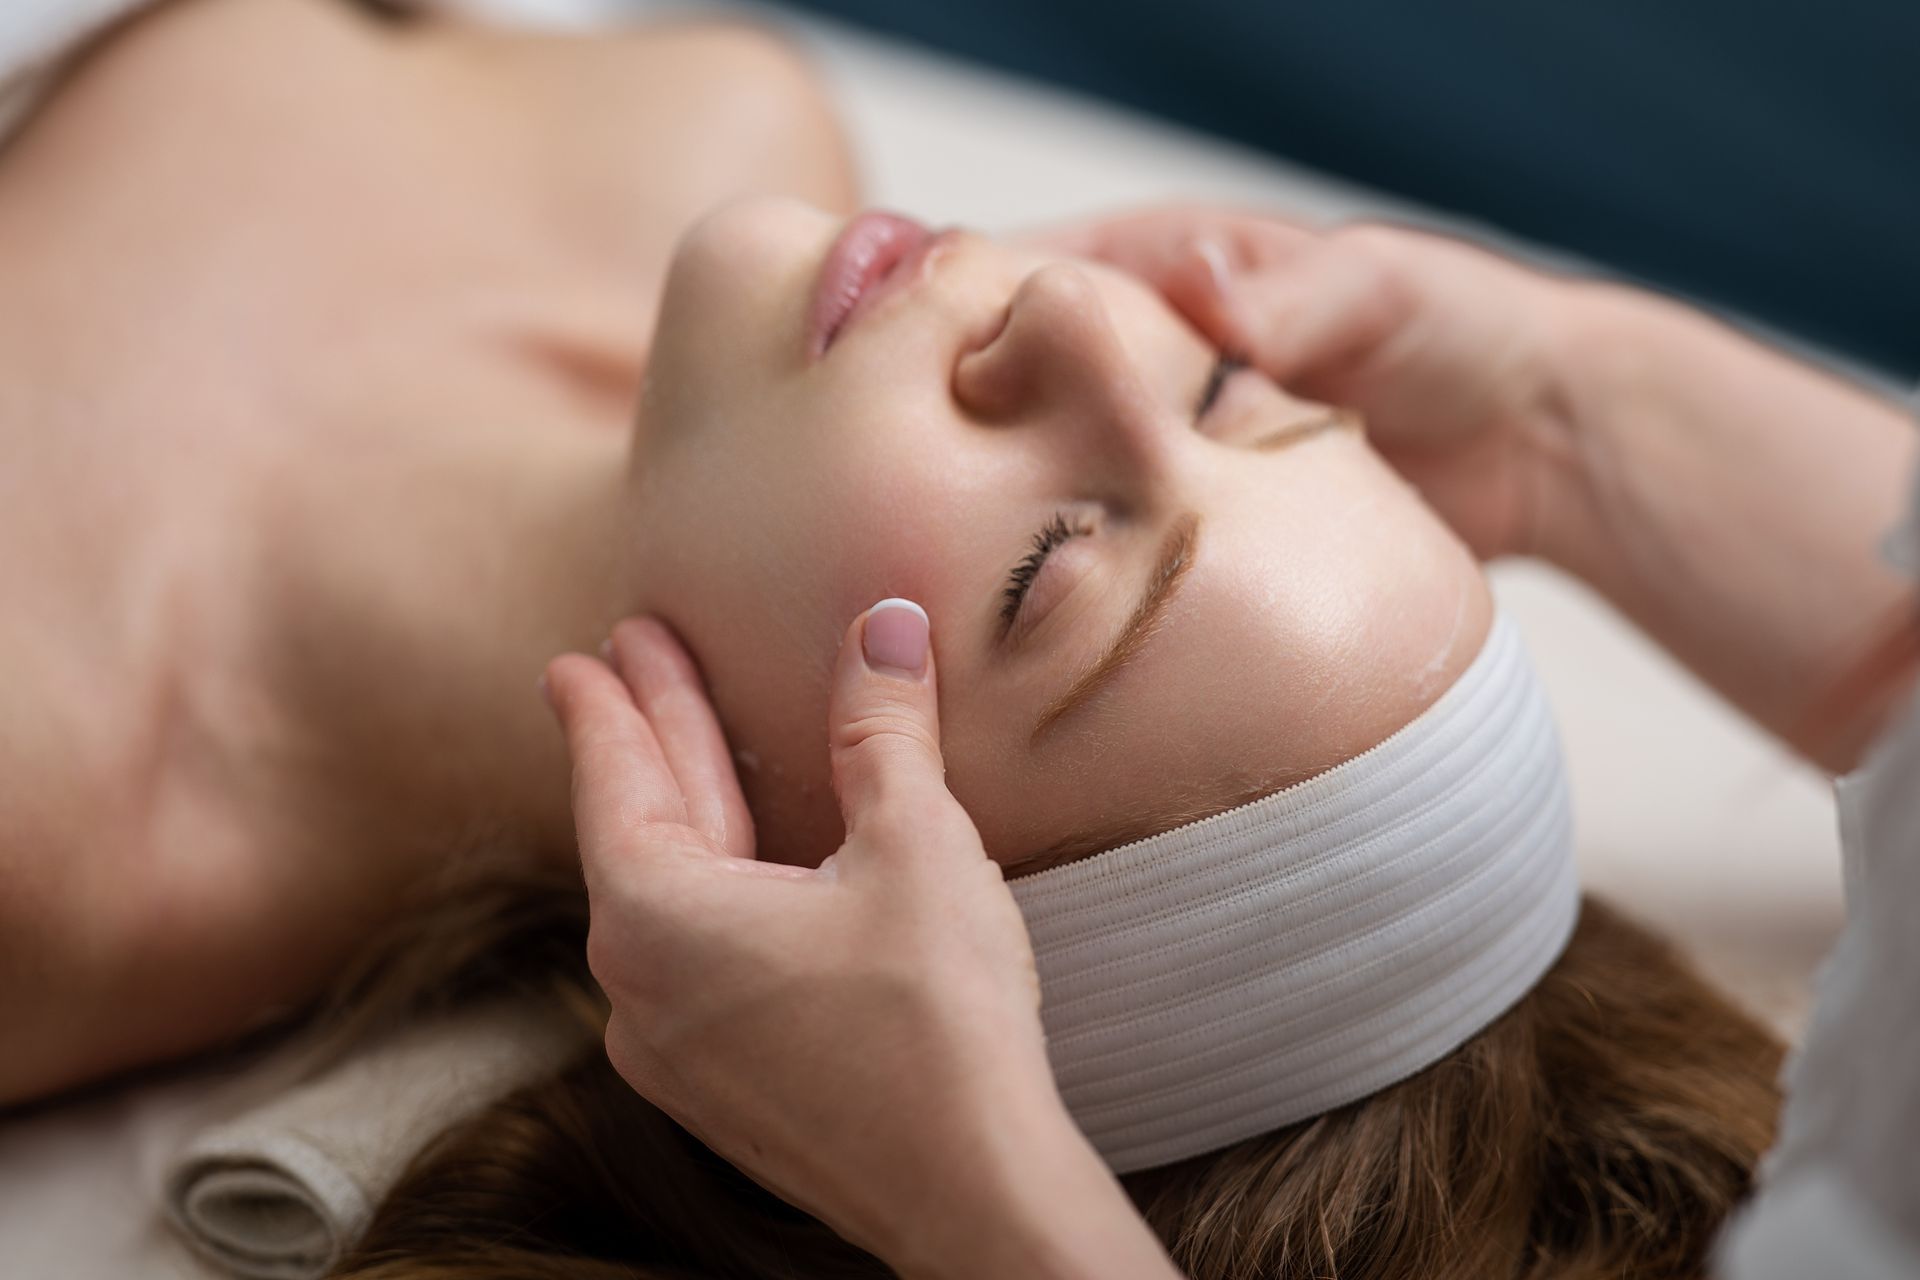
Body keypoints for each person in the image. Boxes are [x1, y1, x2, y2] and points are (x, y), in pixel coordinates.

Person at [535, 210, 1918, 1278]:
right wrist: (1548, 409)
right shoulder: (743, 91)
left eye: (1044, 571)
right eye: (1224, 387)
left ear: (774, 901)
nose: (1070, 308)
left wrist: (979, 1205)